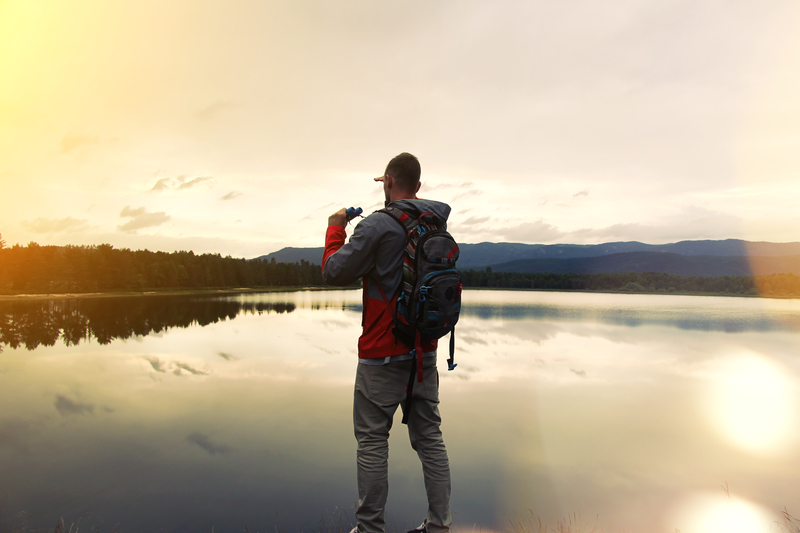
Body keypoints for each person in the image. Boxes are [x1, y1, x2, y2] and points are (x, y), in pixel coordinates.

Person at [322, 153, 452, 533]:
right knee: (430, 438)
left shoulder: (379, 224)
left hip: (381, 352)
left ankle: (369, 529)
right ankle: (439, 526)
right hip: (424, 353)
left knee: (373, 441)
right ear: (419, 187)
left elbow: (333, 271)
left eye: (383, 183)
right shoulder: (436, 223)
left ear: (389, 183)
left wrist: (335, 229)